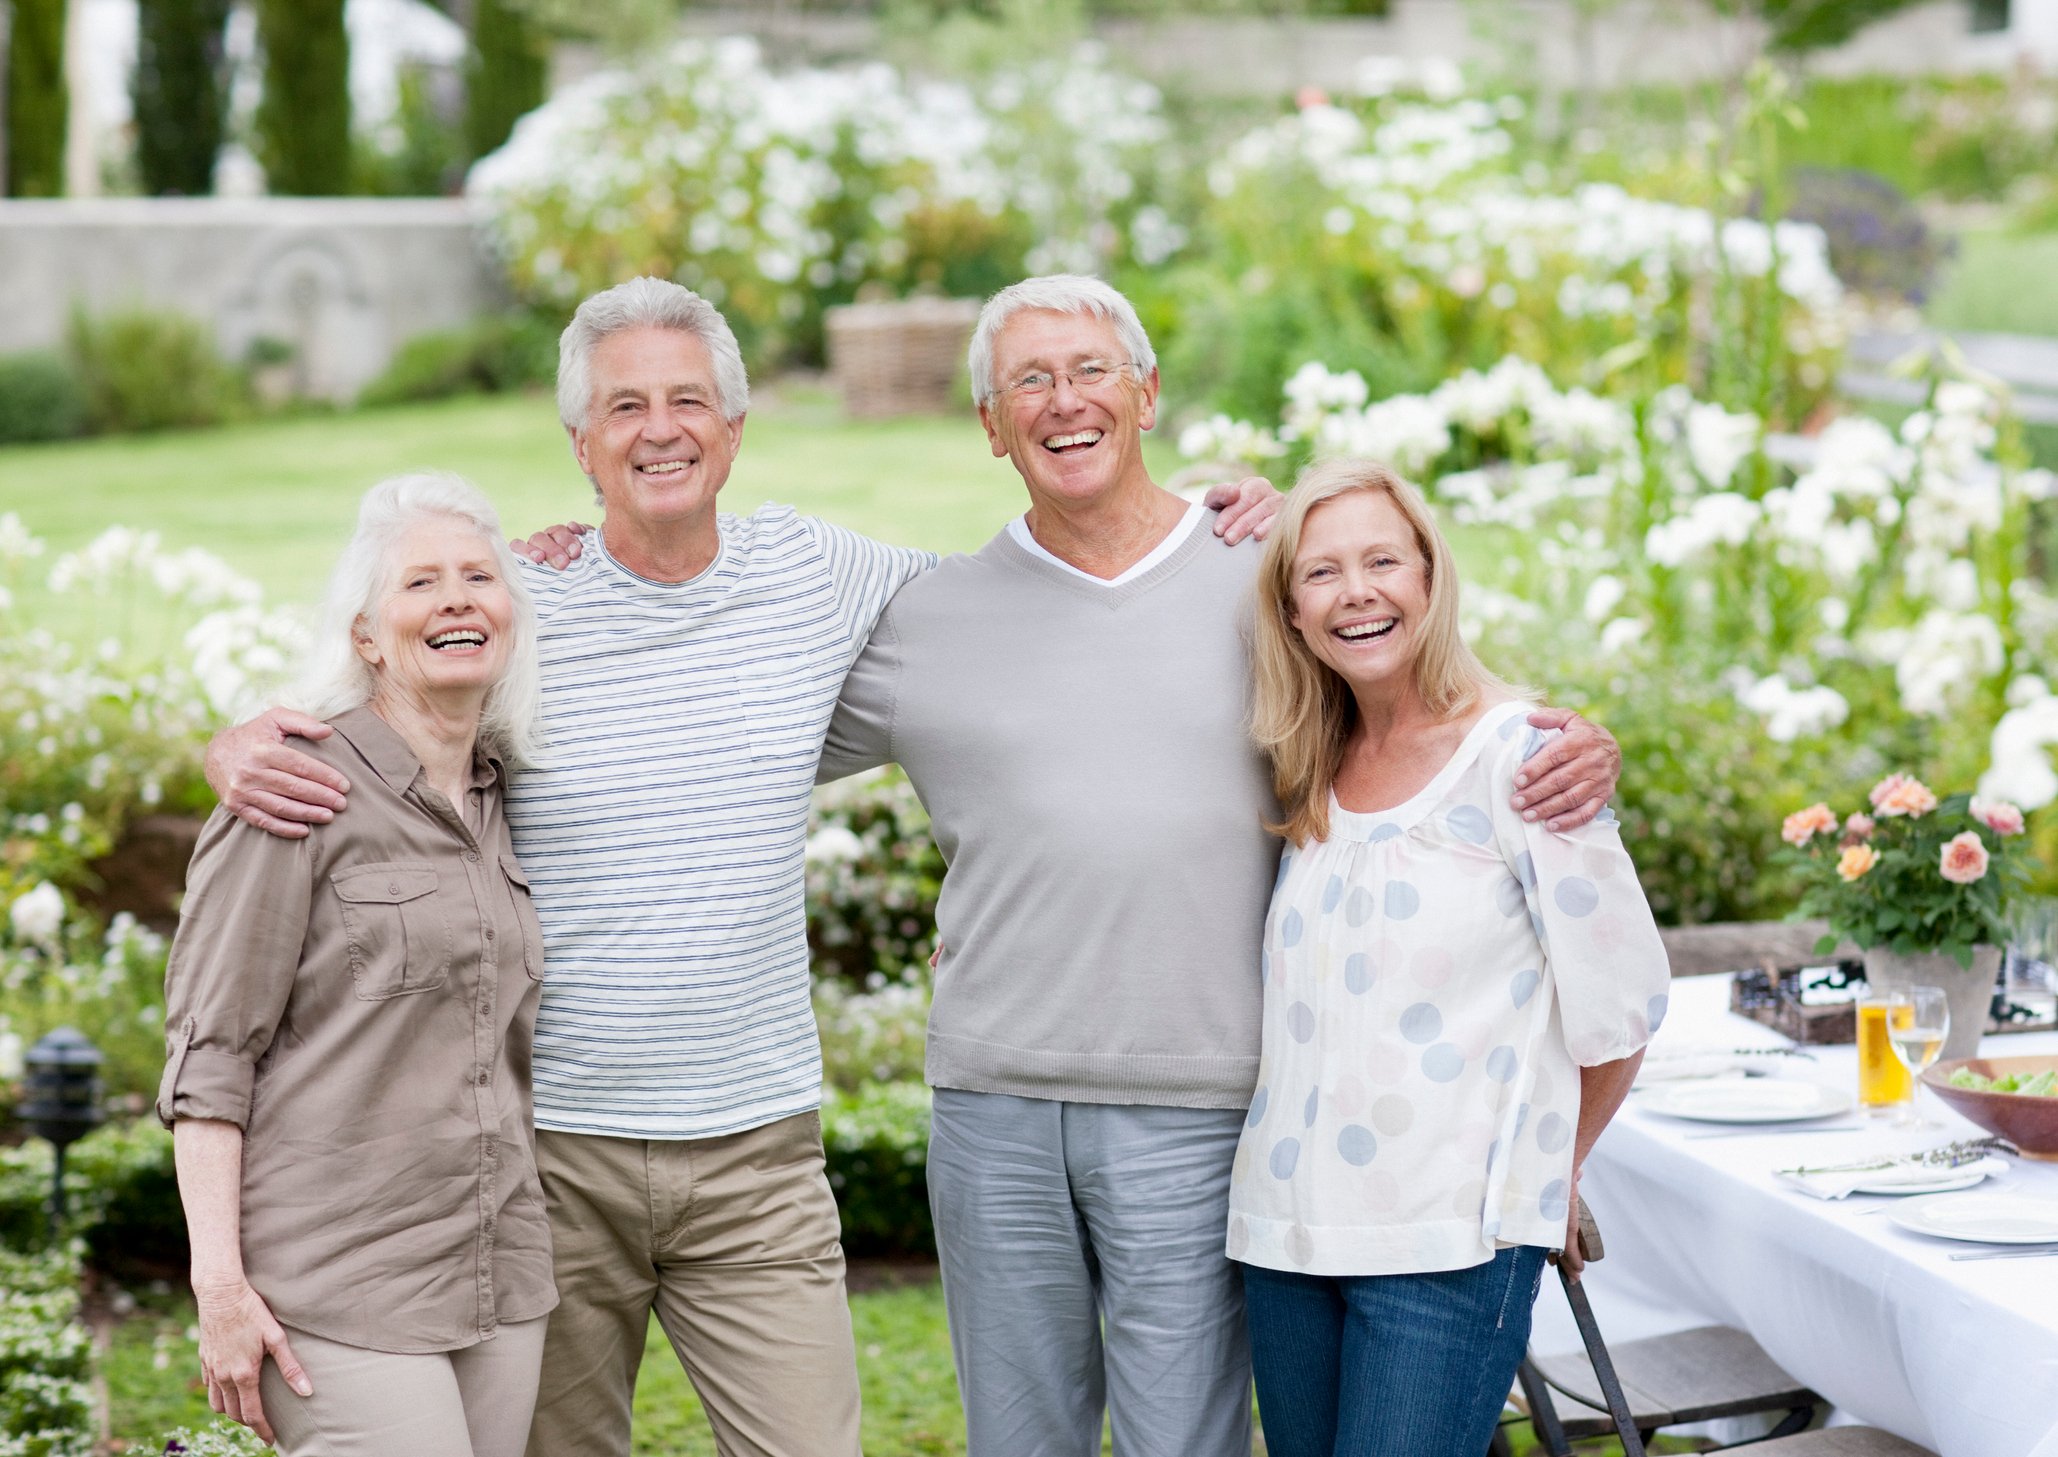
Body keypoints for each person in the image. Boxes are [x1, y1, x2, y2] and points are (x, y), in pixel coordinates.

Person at [200, 275, 1283, 1457]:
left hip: (758, 1151)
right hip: (546, 1151)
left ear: (734, 428)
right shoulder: (520, 605)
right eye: (623, 407)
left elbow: (1046, 594)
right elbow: (387, 678)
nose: (658, 429)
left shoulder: (824, 577)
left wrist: (1234, 528)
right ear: (580, 442)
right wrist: (237, 738)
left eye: (686, 400)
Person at [815, 275, 1629, 1457]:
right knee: (1017, 1438)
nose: (1064, 401)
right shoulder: (927, 617)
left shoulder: (1262, 569)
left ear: (1146, 393)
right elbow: (750, 734)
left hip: (1201, 1102)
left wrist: (1578, 740)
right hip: (991, 1101)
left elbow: (1421, 692)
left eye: (1091, 369)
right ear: (991, 426)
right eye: (1027, 382)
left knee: (1184, 1441)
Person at [1228, 458, 1669, 1457]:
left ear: (1431, 578)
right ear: (1292, 611)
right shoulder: (1305, 767)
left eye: (1384, 559)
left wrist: (1554, 1168)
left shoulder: (1523, 757)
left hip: (1449, 1239)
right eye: (1323, 572)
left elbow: (1626, 1001)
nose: (1358, 592)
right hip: (1285, 1233)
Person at [159, 473, 554, 1456]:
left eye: (479, 576)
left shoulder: (509, 794)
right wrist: (219, 1286)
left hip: (496, 1268)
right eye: (421, 582)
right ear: (367, 634)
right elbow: (210, 1056)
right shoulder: (295, 789)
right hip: (336, 1282)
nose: (458, 598)